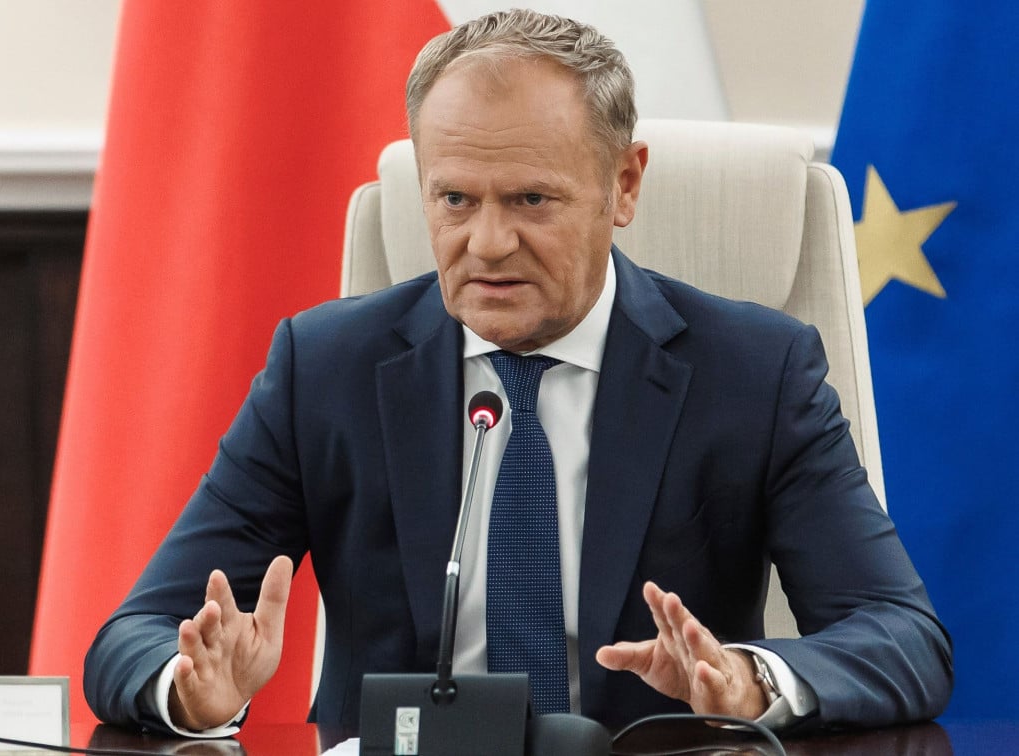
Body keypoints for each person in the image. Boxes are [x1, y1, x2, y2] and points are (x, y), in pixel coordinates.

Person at [84, 9, 952, 738]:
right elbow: (133, 635)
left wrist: (750, 681)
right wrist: (189, 692)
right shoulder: (327, 369)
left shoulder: (752, 372)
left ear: (623, 185)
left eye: (530, 200)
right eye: (455, 200)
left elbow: (904, 639)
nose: (488, 244)